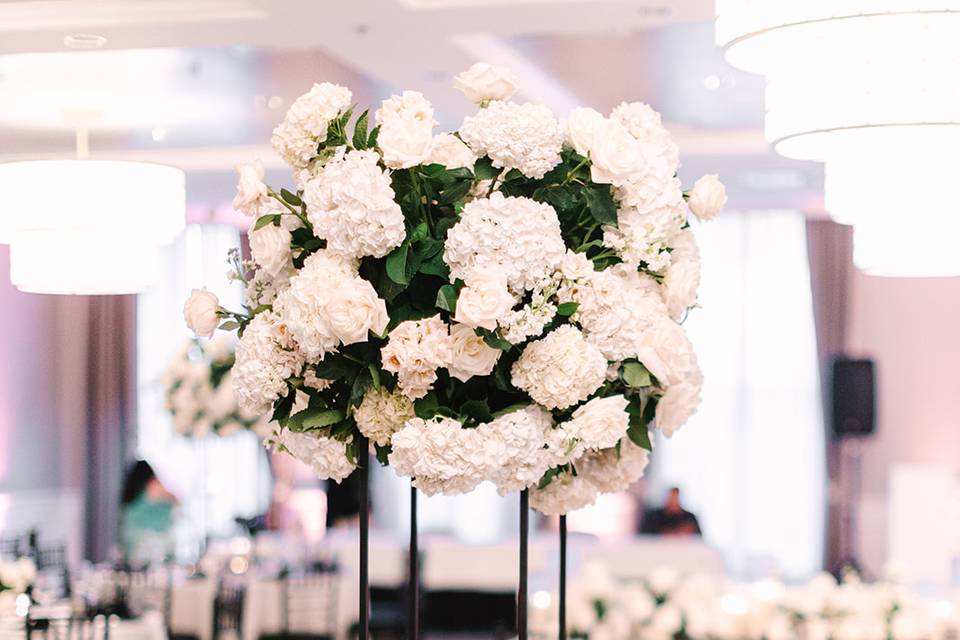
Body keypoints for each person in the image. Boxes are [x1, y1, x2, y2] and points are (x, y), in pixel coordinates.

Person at [119, 460, 178, 565]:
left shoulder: (131, 495)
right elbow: (176, 499)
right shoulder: (152, 487)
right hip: (152, 545)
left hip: (131, 543)